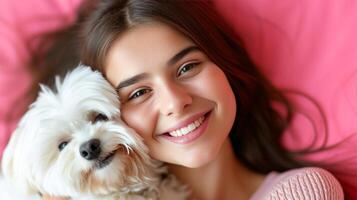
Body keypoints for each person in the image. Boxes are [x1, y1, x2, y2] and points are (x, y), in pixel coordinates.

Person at [43, 0, 345, 199]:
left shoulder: (302, 191)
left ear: (223, 64)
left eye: (187, 67)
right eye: (138, 93)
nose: (175, 101)